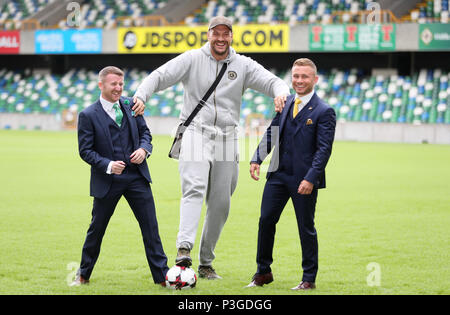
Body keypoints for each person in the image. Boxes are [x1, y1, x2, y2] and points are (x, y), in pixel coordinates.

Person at [132, 16, 290, 279]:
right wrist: (141, 95)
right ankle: (184, 248)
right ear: (208, 35)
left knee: (221, 202)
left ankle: (206, 262)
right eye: (215, 33)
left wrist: (281, 92)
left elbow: (273, 81)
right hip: (195, 131)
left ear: (231, 36)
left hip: (227, 136)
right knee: (194, 186)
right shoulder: (192, 59)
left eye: (225, 34)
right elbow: (160, 76)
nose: (220, 38)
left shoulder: (243, 65)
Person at [71, 66, 169, 287]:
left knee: (151, 228)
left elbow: (146, 134)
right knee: (97, 229)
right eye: (113, 84)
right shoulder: (87, 115)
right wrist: (107, 165)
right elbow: (85, 151)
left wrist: (144, 150)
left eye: (120, 84)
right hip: (108, 181)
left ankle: (163, 276)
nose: (118, 88)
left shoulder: (131, 104)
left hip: (137, 177)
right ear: (101, 85)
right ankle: (83, 273)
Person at [246, 58, 336, 290]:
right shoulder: (285, 103)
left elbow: (324, 150)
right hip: (277, 174)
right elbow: (272, 133)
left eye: (304, 76)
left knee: (305, 226)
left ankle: (308, 278)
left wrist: (311, 178)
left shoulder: (324, 111)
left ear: (314, 79)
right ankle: (263, 272)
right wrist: (257, 158)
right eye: (296, 76)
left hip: (303, 179)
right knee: (266, 221)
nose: (299, 80)